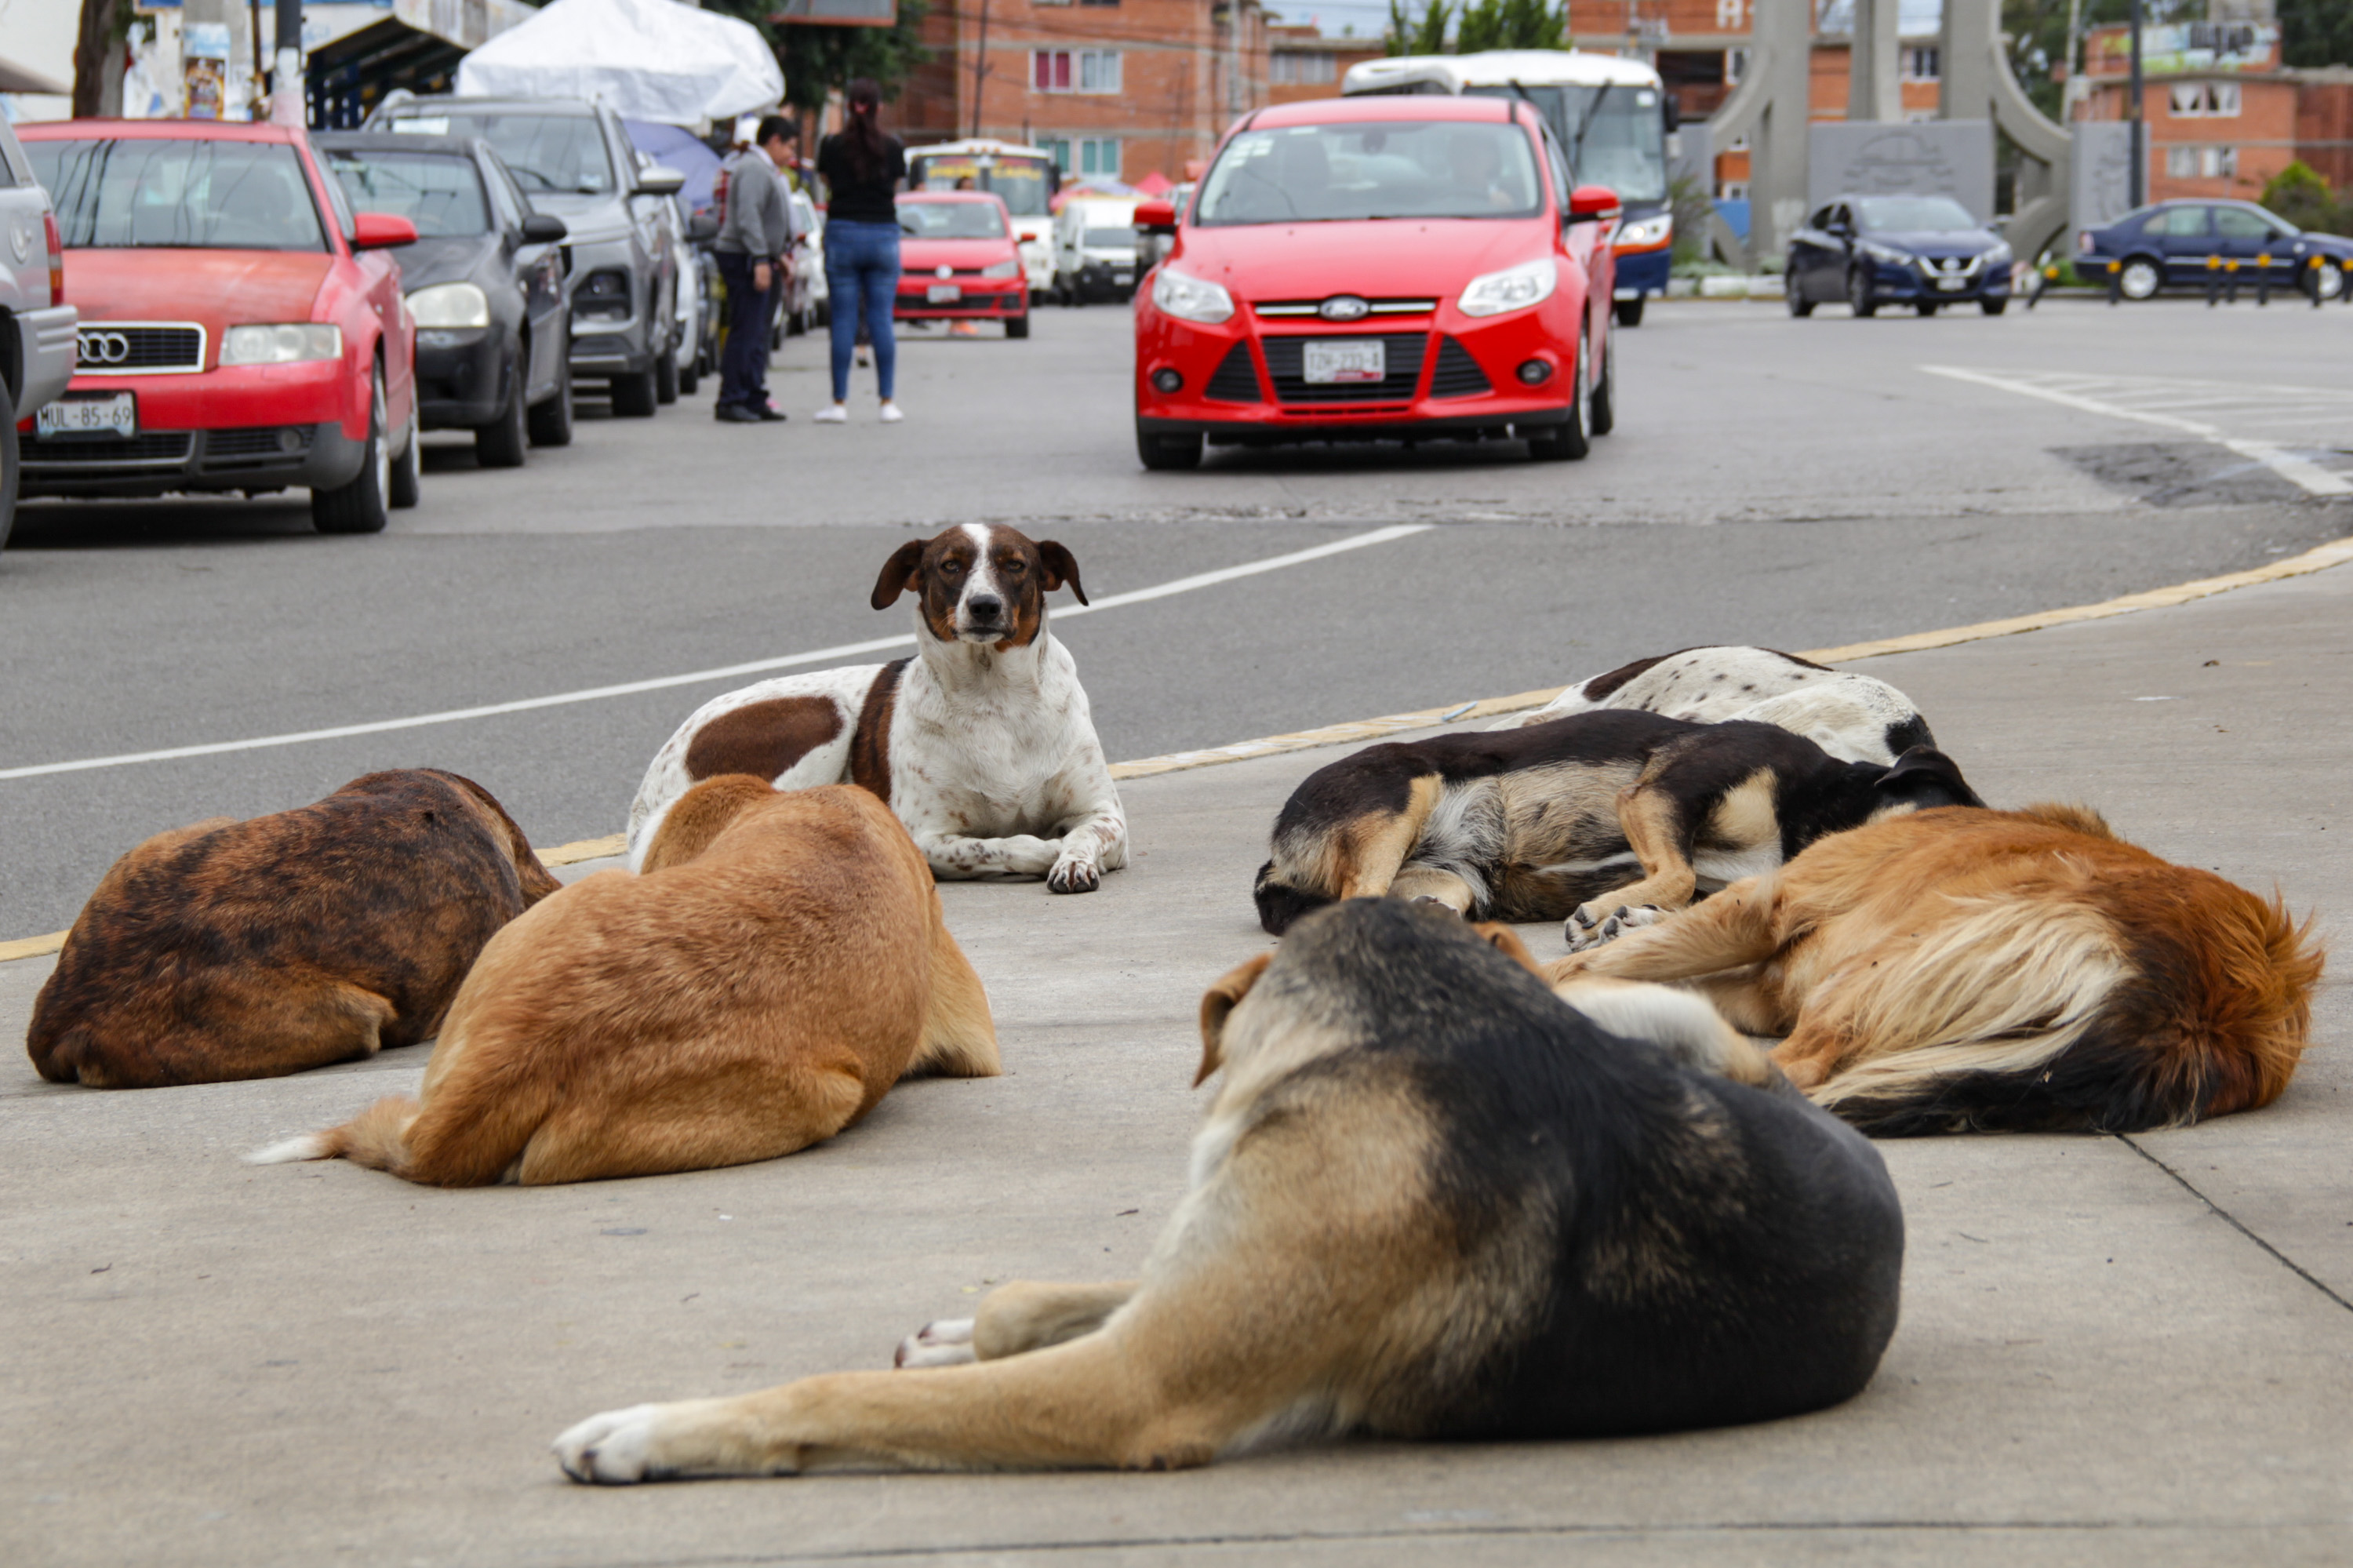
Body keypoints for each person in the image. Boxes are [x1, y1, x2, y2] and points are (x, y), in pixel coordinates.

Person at [814, 79, 907, 424]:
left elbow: (826, 182)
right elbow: (894, 187)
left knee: (843, 320)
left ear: (848, 107)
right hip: (883, 235)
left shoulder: (831, 145)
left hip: (842, 235)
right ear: (879, 108)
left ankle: (838, 404)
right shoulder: (893, 147)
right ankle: (887, 403)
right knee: (881, 318)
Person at [713, 115, 804, 424]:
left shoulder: (764, 168)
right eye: (789, 147)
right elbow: (748, 217)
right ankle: (732, 398)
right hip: (745, 257)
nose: (791, 155)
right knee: (746, 328)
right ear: (774, 140)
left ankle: (753, 394)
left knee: (758, 331)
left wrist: (776, 256)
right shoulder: (753, 168)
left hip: (759, 256)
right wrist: (761, 259)